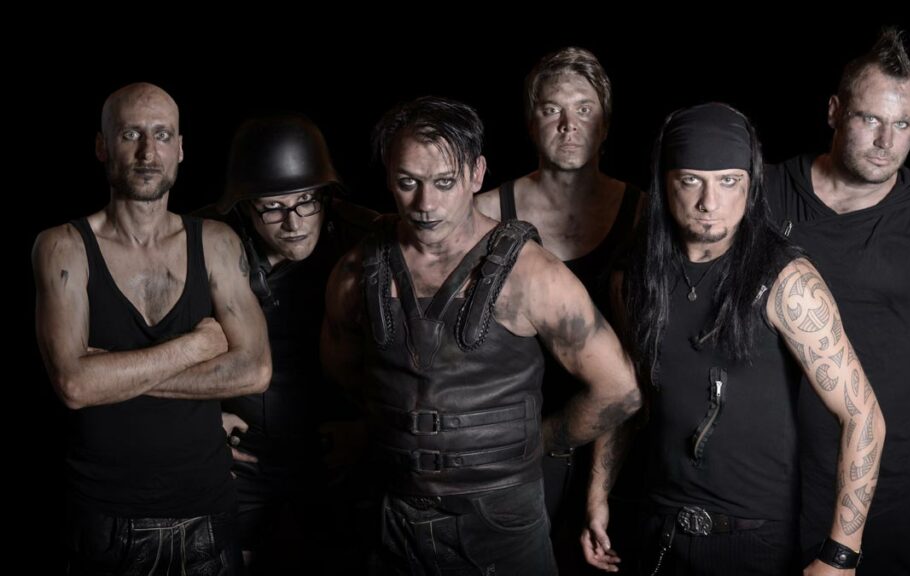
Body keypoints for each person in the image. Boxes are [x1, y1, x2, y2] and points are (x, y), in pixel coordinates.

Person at [322, 95, 641, 573]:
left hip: (499, 518)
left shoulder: (533, 275)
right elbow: (345, 372)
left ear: (476, 174)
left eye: (444, 182)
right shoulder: (356, 271)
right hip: (394, 512)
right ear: (388, 177)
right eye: (408, 182)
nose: (426, 204)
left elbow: (620, 389)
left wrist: (539, 439)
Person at [582, 103, 885, 575]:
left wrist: (841, 554)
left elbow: (862, 415)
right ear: (665, 182)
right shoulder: (635, 278)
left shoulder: (786, 282)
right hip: (656, 528)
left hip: (754, 539)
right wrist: (597, 496)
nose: (709, 202)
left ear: (750, 185)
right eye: (691, 180)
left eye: (728, 181)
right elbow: (626, 394)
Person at [765, 29, 910, 574]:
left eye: (904, 124)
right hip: (766, 484)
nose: (887, 140)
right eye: (870, 119)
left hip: (886, 488)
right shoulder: (763, 196)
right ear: (834, 111)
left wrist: (879, 415)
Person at [32, 82, 271, 574]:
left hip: (207, 511)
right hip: (101, 520)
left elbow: (254, 371)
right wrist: (195, 347)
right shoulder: (63, 247)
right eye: (130, 134)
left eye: (162, 135)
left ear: (180, 149)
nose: (147, 152)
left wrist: (111, 376)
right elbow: (74, 385)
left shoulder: (217, 243)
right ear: (102, 146)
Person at [474, 47, 644, 535]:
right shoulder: (485, 213)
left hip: (619, 434)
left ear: (605, 125)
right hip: (515, 439)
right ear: (532, 124)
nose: (569, 125)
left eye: (584, 109)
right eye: (552, 110)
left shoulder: (642, 214)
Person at [208, 113, 378, 573]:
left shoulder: (367, 240)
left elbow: (421, 359)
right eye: (273, 207)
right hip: (242, 461)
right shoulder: (204, 244)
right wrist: (195, 423)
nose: (294, 222)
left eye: (306, 201)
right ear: (245, 207)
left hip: (336, 454)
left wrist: (373, 430)